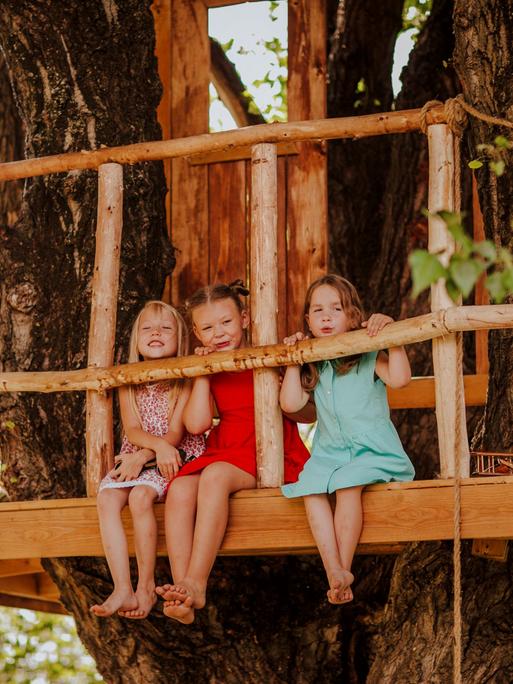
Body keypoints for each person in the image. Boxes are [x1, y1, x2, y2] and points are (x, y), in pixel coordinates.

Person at [156, 280, 309, 624]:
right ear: (196, 333)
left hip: (267, 449)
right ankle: (182, 588)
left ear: (244, 318)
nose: (219, 333)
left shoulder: (266, 356)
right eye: (208, 327)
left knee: (213, 476)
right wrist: (204, 376)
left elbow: (303, 410)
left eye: (226, 322)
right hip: (225, 445)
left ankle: (197, 582)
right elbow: (196, 425)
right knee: (179, 488)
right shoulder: (211, 368)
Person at [280, 274, 415, 605]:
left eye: (336, 308)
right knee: (310, 487)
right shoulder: (318, 361)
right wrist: (294, 359)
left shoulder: (368, 354)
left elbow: (400, 379)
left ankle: (343, 566)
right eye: (317, 310)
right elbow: (291, 404)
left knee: (346, 484)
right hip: (330, 453)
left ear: (353, 315)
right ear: (308, 321)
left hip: (373, 452)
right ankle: (335, 572)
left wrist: (392, 338)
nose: (326, 316)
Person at [91, 301, 205, 619]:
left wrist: (146, 455)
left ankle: (146, 586)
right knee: (107, 498)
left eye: (166, 328)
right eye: (148, 328)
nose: (156, 332)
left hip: (175, 454)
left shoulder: (185, 377)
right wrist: (139, 456)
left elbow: (176, 433)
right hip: (138, 454)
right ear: (137, 339)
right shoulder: (129, 378)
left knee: (141, 497)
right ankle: (122, 588)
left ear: (179, 337)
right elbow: (132, 428)